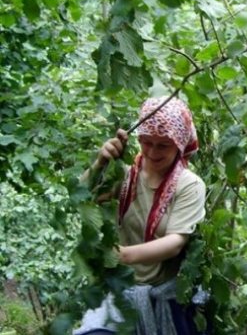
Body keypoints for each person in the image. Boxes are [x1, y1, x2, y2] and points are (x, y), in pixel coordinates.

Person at [75, 96, 208, 335]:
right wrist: (101, 162)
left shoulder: (189, 185)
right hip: (121, 291)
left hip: (167, 297)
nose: (153, 152)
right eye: (147, 142)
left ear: (178, 144)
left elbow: (175, 242)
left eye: (163, 145)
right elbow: (82, 198)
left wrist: (121, 255)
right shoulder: (125, 176)